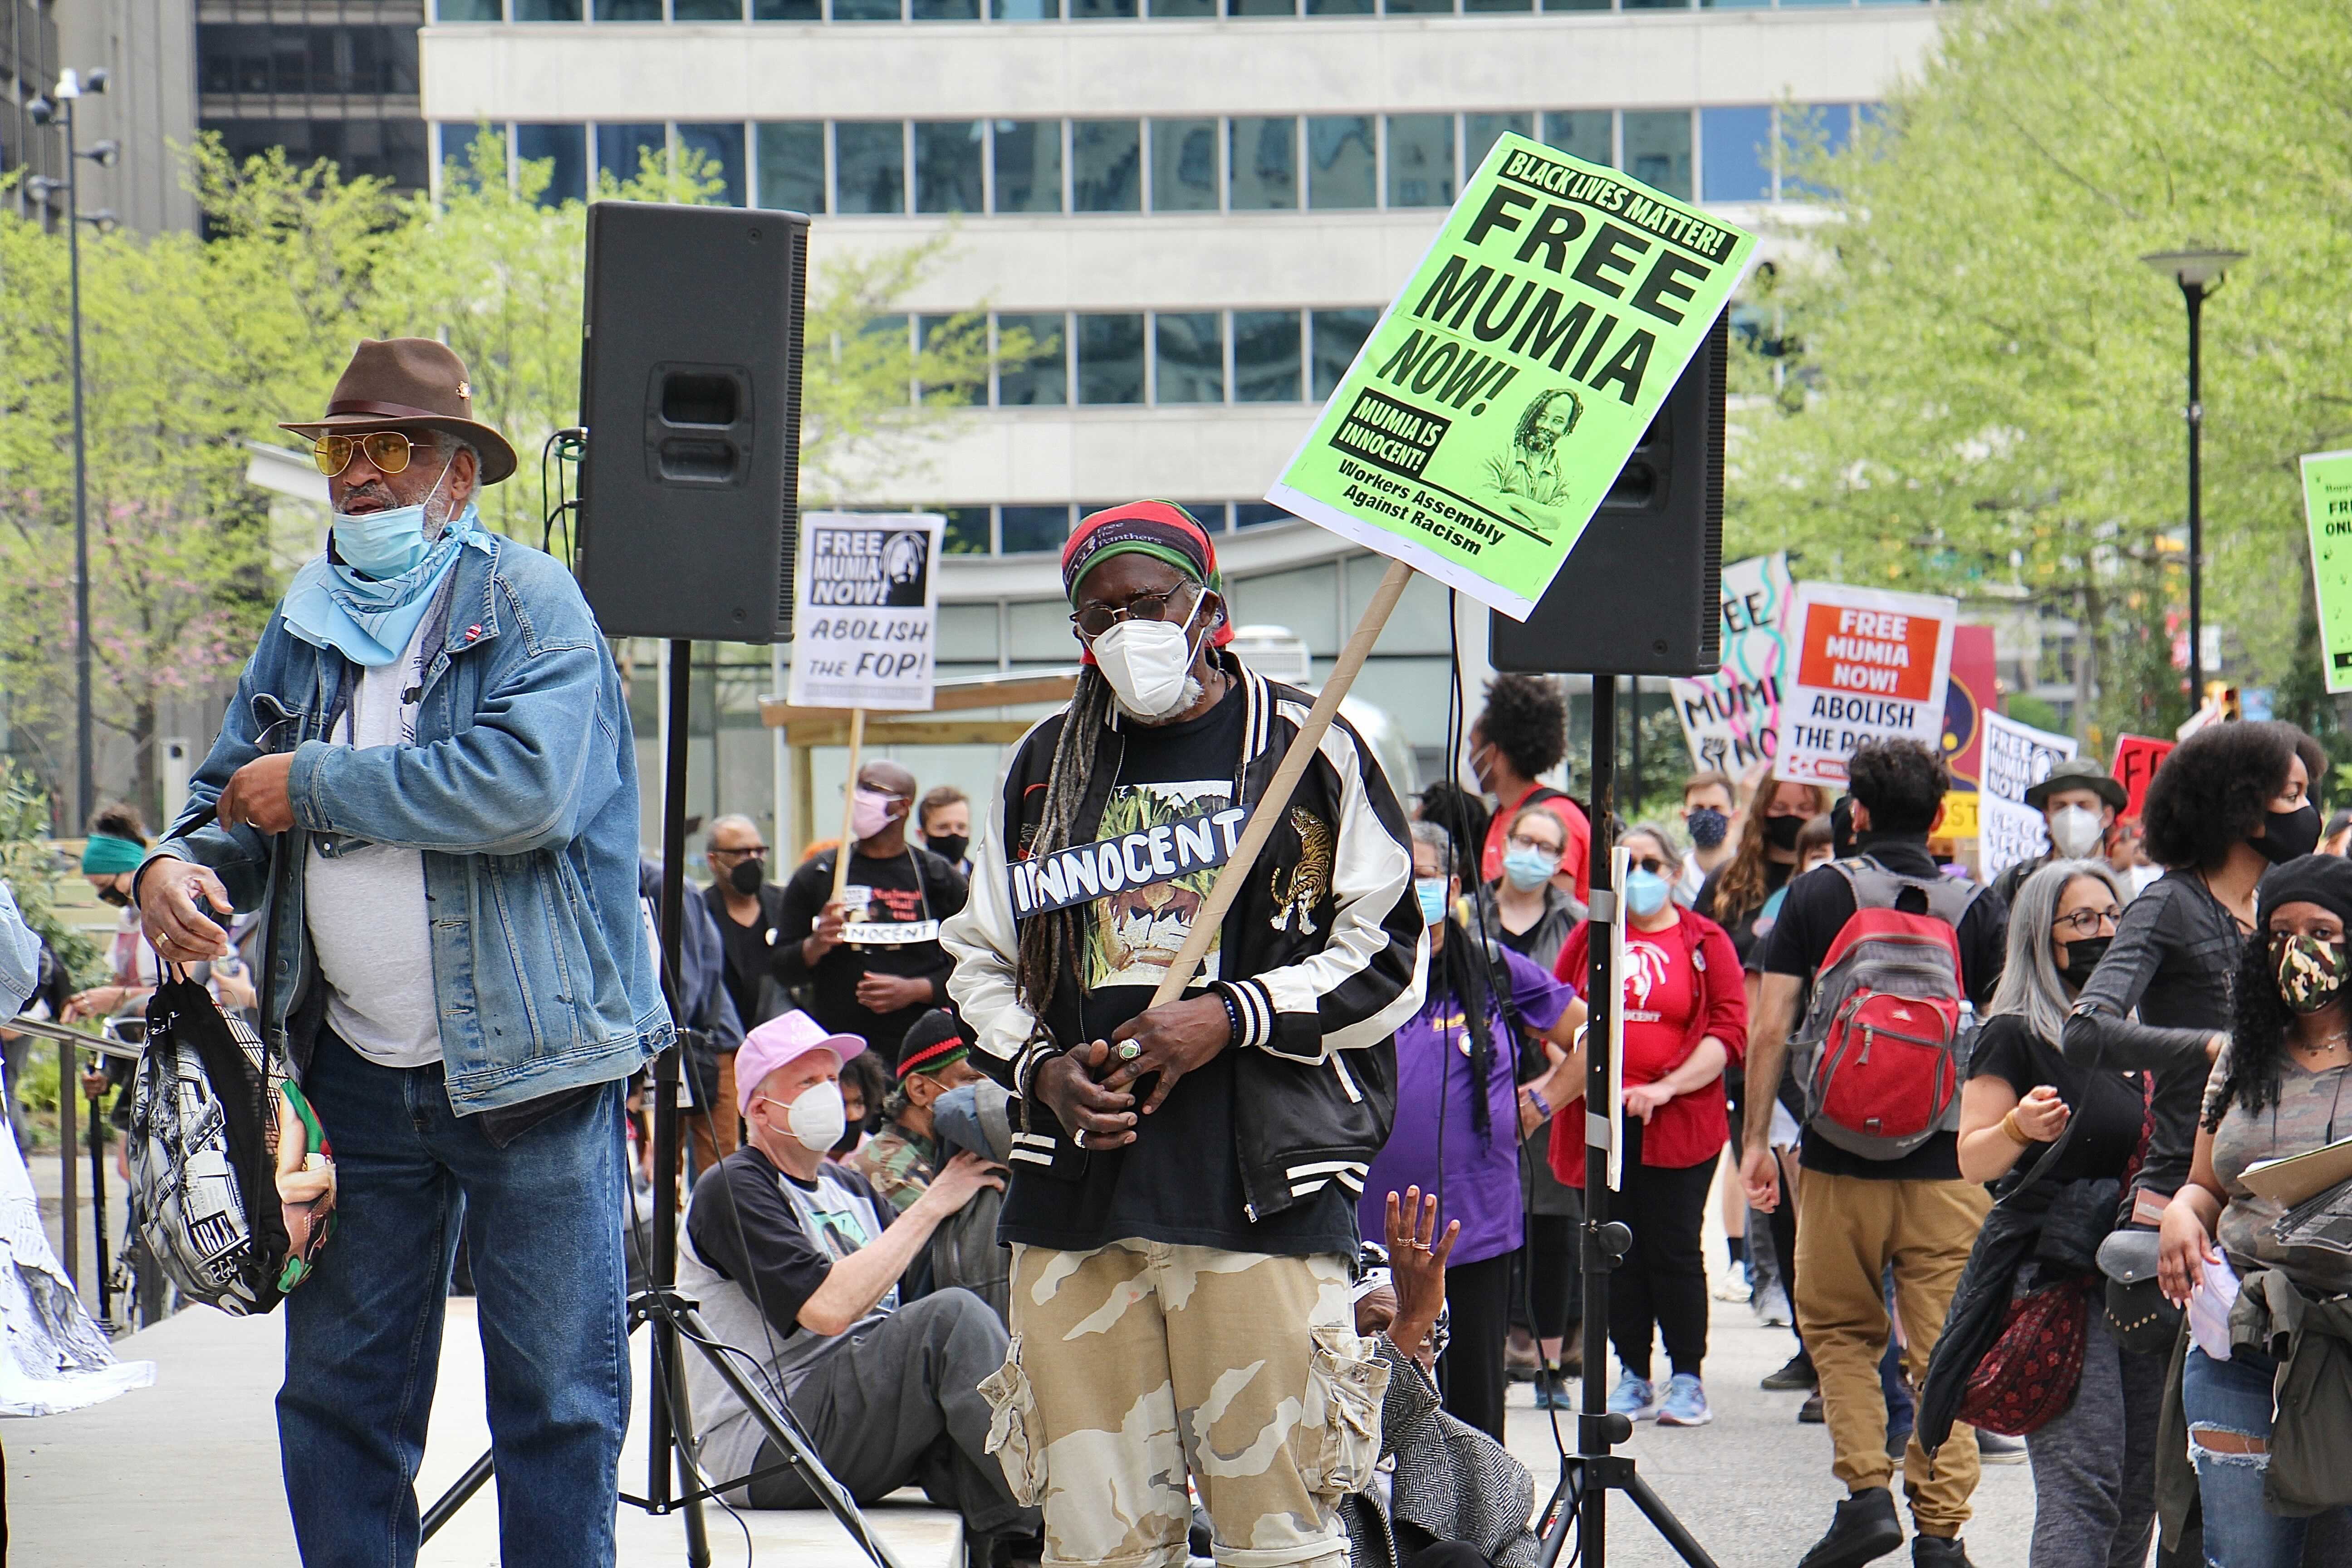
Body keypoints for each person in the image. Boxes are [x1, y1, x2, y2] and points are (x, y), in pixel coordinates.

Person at [132, 338, 662, 1567]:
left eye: (393, 448)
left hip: (533, 1074)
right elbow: (230, 802)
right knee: (338, 1406)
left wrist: (311, 782)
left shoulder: (531, 600)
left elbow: (528, 789)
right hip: (355, 1080)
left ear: (458, 477)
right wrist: (173, 861)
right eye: (340, 449)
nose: (360, 474)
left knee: (559, 1408)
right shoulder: (305, 624)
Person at [941, 499, 1426, 1568]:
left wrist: (1233, 1014)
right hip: (1080, 1208)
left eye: (1146, 604)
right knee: (1094, 1542)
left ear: (1208, 608)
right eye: (1098, 614)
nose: (1125, 630)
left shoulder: (1310, 745)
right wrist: (1039, 1067)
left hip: (1257, 1195)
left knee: (1281, 1539)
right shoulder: (1040, 767)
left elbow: (1391, 953)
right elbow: (977, 957)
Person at [1741, 739, 2010, 1568]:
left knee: (1838, 1331)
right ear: (1937, 818)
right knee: (1944, 1350)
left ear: (1851, 813)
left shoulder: (1815, 894)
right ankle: (1939, 1530)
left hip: (1833, 1156)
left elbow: (1769, 1026)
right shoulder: (1974, 905)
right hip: (1945, 1164)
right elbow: (1998, 1036)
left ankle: (1864, 1496)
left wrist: (1754, 1140)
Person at [677, 1011, 1036, 1543]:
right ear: (760, 1107)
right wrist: (935, 1202)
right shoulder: (734, 1186)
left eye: (831, 1079)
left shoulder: (850, 1188)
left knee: (972, 1401)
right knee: (951, 1319)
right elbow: (827, 1311)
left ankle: (1027, 1539)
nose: (827, 1092)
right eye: (807, 1082)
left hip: (845, 1413)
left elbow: (912, 1302)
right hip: (767, 1441)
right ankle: (1070, 1520)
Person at [1946, 861, 2156, 1568]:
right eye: (2082, 921)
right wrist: (2016, 1130)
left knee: (2141, 1489)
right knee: (2086, 1487)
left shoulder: (2132, 1033)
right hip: (2055, 1282)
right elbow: (1972, 1159)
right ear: (2044, 936)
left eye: (2111, 916)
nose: (2104, 932)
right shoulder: (2016, 1032)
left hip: (2140, 1282)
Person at [2158, 854, 2352, 1568]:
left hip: (2343, 1337)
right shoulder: (2244, 1055)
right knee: (2243, 1556)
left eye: (2323, 930)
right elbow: (2206, 1183)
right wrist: (2183, 1211)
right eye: (2279, 933)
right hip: (2241, 1337)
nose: (2299, 950)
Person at [1363, 821, 1581, 1439]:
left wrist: (1542, 1100)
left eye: (1425, 876)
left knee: (1473, 1412)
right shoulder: (1361, 965)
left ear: (1454, 886)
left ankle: (1478, 1532)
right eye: (1398, 873)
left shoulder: (1492, 969)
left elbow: (1593, 1039)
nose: (1411, 887)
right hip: (1370, 1234)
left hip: (1474, 1230)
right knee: (1372, 1406)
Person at [2063, 721, 2327, 1221]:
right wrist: (2210, 1047)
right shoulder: (2168, 904)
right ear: (2243, 811)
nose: (2308, 814)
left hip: (2279, 1186)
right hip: (2184, 1192)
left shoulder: (2280, 908)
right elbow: (2084, 1030)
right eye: (2292, 796)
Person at [1550, 825, 1746, 1431]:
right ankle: (1632, 1372)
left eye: (1652, 863)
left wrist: (1666, 1087)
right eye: (1627, 863)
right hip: (1599, 1121)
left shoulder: (1704, 940)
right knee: (1614, 1251)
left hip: (1678, 1123)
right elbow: (1553, 1013)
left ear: (1673, 870)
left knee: (1674, 1250)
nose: (1639, 874)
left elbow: (1729, 1030)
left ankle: (1687, 1376)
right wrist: (1578, 1079)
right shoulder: (1589, 938)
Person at [1694, 776, 1833, 1358]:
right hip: (1748, 1068)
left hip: (1820, 1068)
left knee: (1820, 1212)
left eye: (1806, 809)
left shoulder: (1831, 884)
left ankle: (1826, 1342)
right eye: (1781, 808)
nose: (1792, 819)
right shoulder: (1728, 886)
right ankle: (1806, 1344)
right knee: (1774, 1205)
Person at [1341, 1188, 1542, 1568]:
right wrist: (1411, 1320)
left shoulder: (1488, 1467)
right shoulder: (1300, 1440)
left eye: (1426, 1336)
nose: (1410, 1342)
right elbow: (1357, 1434)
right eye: (1376, 1330)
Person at [1473, 802, 1583, 1401]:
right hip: (1475, 1088)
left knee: (1552, 1227)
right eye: (1525, 841)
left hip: (1554, 1091)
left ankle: (1549, 1366)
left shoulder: (1576, 921)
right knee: (1484, 1227)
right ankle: (1483, 1354)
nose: (1533, 855)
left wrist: (1551, 1089)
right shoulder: (1471, 914)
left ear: (1562, 862)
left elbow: (1585, 1016)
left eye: (1547, 847)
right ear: (1503, 843)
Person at [776, 762, 968, 1063]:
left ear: (903, 806)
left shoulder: (937, 877)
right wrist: (814, 946)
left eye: (872, 790)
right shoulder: (819, 874)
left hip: (922, 1056)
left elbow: (976, 964)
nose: (859, 798)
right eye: (856, 788)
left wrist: (918, 989)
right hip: (841, 1054)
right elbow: (779, 967)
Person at [641, 857, 746, 1175]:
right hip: (667, 1035)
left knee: (718, 1164)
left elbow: (686, 978)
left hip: (706, 1038)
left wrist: (652, 1038)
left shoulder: (665, 885)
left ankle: (712, 1224)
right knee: (662, 1164)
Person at [700, 813, 791, 1157]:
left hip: (778, 1052)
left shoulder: (782, 905)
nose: (753, 861)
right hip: (723, 1054)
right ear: (714, 860)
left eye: (759, 851)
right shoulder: (701, 910)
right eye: (740, 853)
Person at [1469, 674, 1592, 903]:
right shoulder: (1500, 816)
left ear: (1492, 753)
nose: (1469, 757)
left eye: (1473, 746)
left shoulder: (1557, 817)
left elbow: (1557, 920)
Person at [850, 1008, 988, 1211]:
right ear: (919, 1089)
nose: (989, 1093)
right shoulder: (888, 1171)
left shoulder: (953, 1153)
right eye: (972, 1080)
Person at [1989, 759, 2129, 910]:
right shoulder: (2016, 883)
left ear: (2107, 816)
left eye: (2083, 806)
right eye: (2060, 807)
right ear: (2047, 818)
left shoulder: (2126, 886)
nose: (2071, 815)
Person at [1678, 770, 1739, 906]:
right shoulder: (1671, 878)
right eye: (1698, 809)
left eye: (1716, 809)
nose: (1707, 815)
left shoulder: (1748, 873)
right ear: (1684, 816)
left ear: (1734, 817)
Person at [918, 785, 974, 876]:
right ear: (922, 835)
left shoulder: (984, 881)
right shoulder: (912, 880)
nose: (954, 833)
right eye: (943, 827)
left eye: (961, 827)